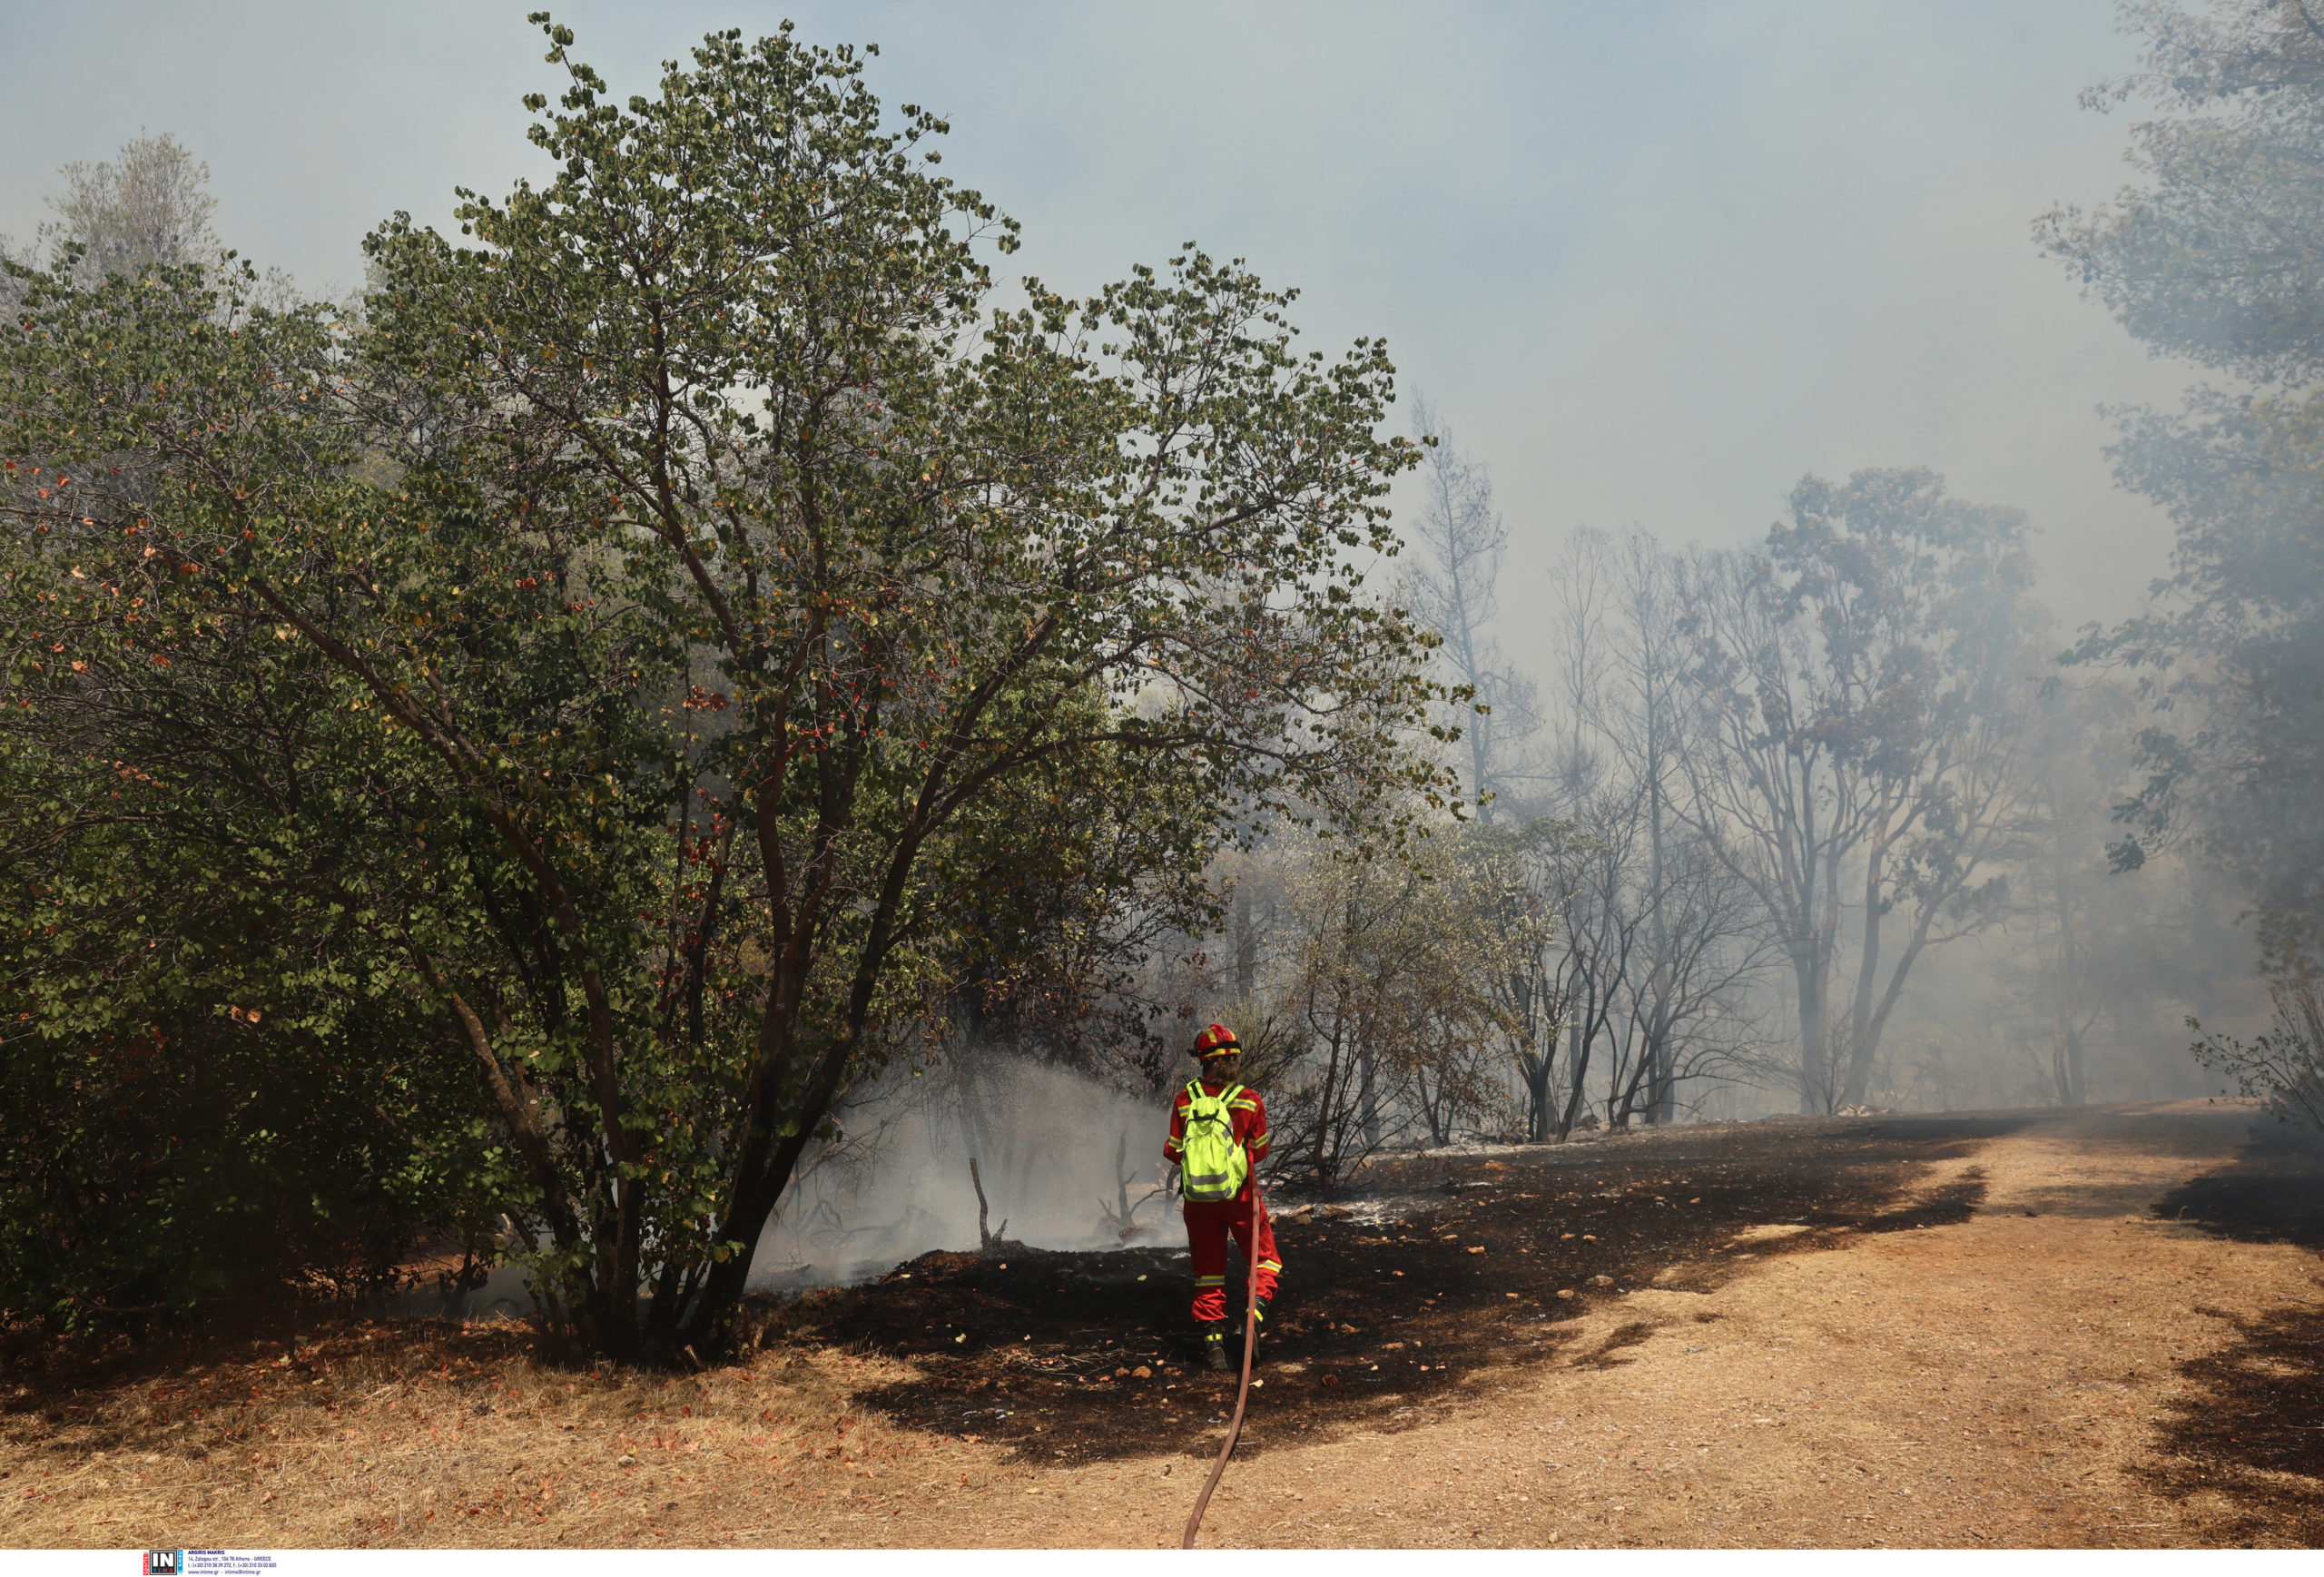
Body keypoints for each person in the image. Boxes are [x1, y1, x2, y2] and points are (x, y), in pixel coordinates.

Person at [1161, 1021, 1280, 1373]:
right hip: (1240, 1198)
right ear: (1235, 1060)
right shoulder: (1249, 1099)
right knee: (1266, 1260)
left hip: (1198, 1203)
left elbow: (1173, 1151)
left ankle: (1214, 1349)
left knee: (1208, 1271)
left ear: (1202, 1060)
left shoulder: (1185, 1100)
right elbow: (1260, 1152)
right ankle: (1250, 1321)